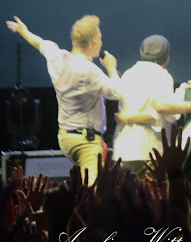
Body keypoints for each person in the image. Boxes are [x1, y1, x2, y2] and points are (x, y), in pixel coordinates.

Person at [5, 15, 120, 185]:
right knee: (94, 191)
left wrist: (24, 31)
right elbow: (116, 92)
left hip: (66, 138)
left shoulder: (58, 57)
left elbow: (39, 43)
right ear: (94, 42)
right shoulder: (89, 70)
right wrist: (111, 67)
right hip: (85, 143)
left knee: (86, 187)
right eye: (100, 38)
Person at [111, 35, 182, 177]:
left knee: (126, 191)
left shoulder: (128, 74)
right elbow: (159, 112)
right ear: (166, 57)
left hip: (123, 149)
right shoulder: (162, 76)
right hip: (148, 150)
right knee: (152, 190)